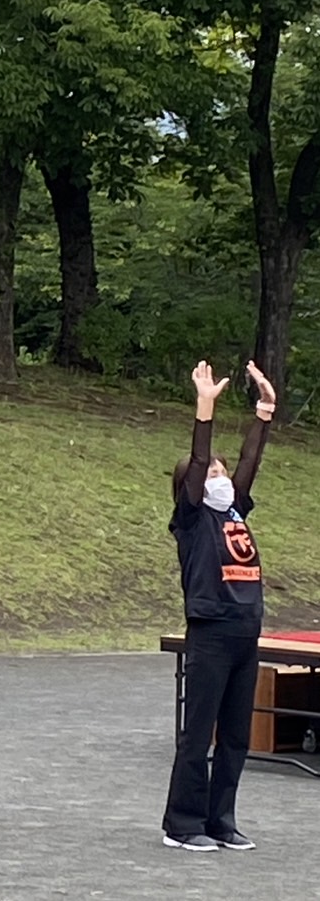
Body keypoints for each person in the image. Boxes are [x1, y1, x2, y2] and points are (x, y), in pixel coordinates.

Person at [161, 360, 274, 853]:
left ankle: (221, 820)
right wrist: (204, 408)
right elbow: (198, 456)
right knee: (198, 734)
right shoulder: (191, 519)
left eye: (223, 470)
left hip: (244, 631)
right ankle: (182, 823)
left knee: (235, 737)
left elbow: (250, 463)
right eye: (211, 471)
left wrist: (264, 412)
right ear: (193, 484)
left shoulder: (232, 510)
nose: (220, 474)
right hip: (209, 631)